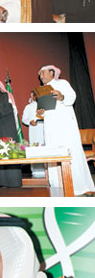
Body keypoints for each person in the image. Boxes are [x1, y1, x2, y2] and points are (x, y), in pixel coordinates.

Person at [36, 64, 95, 197]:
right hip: (51, 128)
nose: (41, 76)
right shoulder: (41, 90)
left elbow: (72, 98)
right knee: (54, 155)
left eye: (43, 73)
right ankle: (58, 187)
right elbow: (45, 111)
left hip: (65, 126)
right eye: (39, 74)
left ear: (52, 73)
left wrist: (61, 96)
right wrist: (41, 113)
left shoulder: (62, 83)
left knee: (72, 153)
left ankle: (81, 187)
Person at [0, 80, 22, 188]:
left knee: (9, 153)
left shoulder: (7, 95)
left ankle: (13, 182)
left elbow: (8, 109)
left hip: (8, 128)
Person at [21, 91, 45, 177]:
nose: (36, 96)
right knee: (35, 149)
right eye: (34, 95)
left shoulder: (46, 105)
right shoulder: (28, 106)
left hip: (45, 129)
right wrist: (30, 122)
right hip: (34, 131)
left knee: (45, 149)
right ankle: (36, 171)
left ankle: (48, 171)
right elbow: (24, 119)